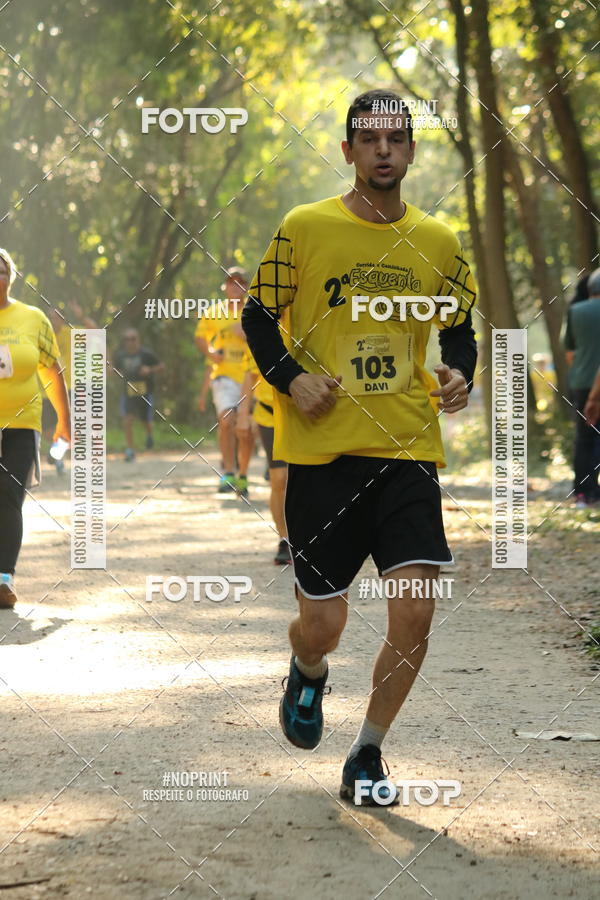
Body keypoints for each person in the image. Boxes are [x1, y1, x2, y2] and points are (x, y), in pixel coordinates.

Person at [242, 89, 477, 806]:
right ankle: (307, 671)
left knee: (414, 612)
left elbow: (460, 327)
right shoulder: (305, 227)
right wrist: (290, 377)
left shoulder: (438, 242)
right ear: (348, 151)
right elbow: (257, 314)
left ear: (410, 150)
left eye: (395, 139)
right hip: (322, 454)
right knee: (324, 624)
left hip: (407, 448)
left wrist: (461, 371)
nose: (382, 149)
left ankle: (367, 753)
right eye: (367, 139)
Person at [0, 248, 71, 608]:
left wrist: (65, 420)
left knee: (10, 497)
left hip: (22, 423)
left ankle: (3, 578)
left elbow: (52, 371)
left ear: (10, 277)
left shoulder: (32, 318)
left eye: (0, 271)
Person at [195, 267, 254, 497]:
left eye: (240, 282)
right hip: (223, 375)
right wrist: (211, 354)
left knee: (246, 429)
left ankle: (243, 475)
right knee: (226, 420)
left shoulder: (254, 310)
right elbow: (200, 338)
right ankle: (228, 472)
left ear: (246, 287)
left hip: (250, 376)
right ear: (225, 287)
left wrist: (247, 331)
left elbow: (271, 335)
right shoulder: (213, 312)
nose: (235, 286)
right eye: (231, 282)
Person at [237, 354, 292, 564]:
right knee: (279, 479)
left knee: (305, 477)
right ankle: (284, 540)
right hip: (268, 415)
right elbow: (249, 379)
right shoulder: (262, 328)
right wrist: (243, 416)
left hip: (303, 414)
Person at [565, 267, 600, 506]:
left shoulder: (575, 311)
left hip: (580, 381)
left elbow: (569, 352)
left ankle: (581, 493)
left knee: (584, 438)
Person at [114, 328, 164, 461]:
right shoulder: (120, 356)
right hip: (128, 393)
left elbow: (161, 366)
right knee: (127, 420)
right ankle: (130, 449)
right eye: (127, 339)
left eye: (133, 339)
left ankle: (149, 435)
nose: (130, 342)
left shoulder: (146, 354)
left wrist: (149, 369)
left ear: (138, 340)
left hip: (145, 393)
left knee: (145, 420)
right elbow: (115, 370)